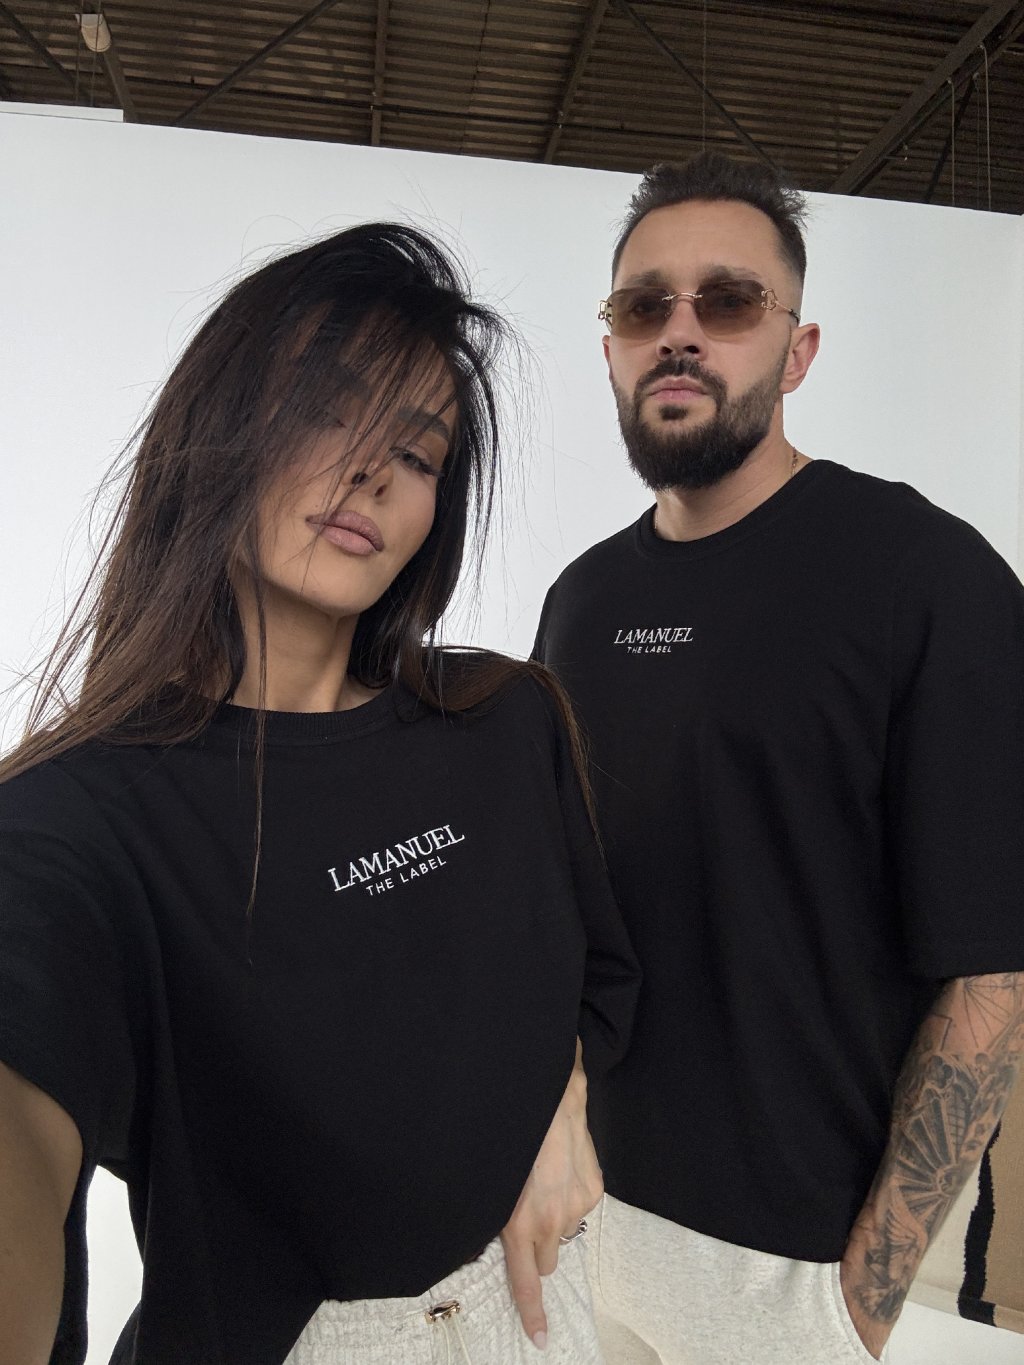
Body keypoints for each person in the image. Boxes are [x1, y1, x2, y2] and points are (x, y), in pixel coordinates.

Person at [0, 223, 641, 1365]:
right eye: (327, 410)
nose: (374, 472)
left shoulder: (505, 721)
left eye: (420, 452)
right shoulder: (78, 819)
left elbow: (590, 974)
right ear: (217, 427)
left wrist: (562, 1102)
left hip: (538, 1314)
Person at [533, 151, 1024, 1365]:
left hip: (794, 1272)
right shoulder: (581, 604)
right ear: (610, 348)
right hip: (584, 1221)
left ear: (796, 351)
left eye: (728, 301)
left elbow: (991, 968)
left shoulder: (926, 577)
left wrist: (857, 1300)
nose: (679, 332)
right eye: (642, 306)